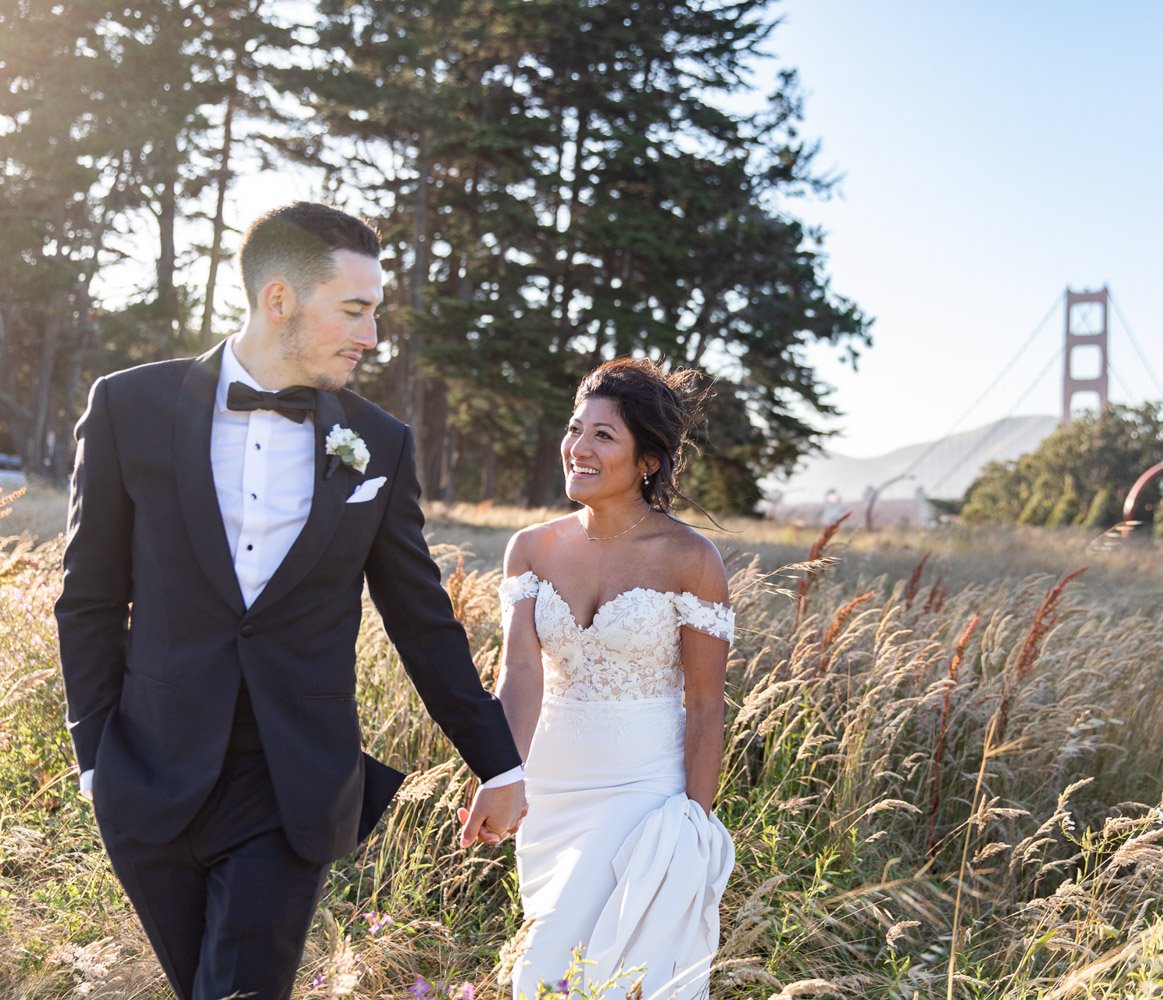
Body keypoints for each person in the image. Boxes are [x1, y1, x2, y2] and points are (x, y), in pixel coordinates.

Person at [54, 201, 526, 1000]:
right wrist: (96, 756)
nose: (372, 337)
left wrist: (498, 760)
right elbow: (89, 598)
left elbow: (421, 617)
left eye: (375, 313)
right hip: (149, 771)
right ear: (279, 299)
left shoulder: (380, 443)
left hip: (290, 779)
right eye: (355, 310)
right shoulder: (128, 407)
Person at [496, 358, 736, 999]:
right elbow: (520, 672)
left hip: (643, 793)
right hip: (551, 791)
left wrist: (694, 827)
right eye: (576, 429)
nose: (578, 447)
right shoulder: (532, 548)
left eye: (604, 435)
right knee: (573, 967)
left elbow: (706, 702)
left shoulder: (691, 559)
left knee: (548, 975)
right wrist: (502, 773)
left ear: (647, 461)